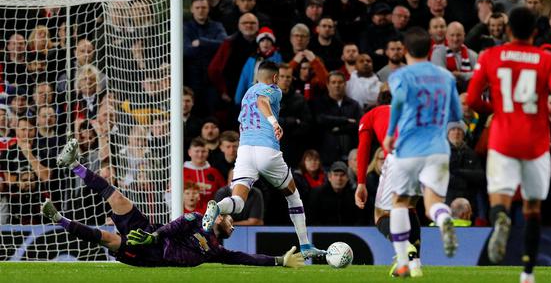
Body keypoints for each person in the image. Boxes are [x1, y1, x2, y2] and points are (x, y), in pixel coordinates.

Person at [42, 138, 304, 268]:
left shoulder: (215, 250)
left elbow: (246, 258)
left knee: (108, 239)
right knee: (119, 198)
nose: (231, 224)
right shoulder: (197, 220)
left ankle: (59, 220)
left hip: (150, 254)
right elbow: (177, 224)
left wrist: (279, 261)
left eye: (231, 223)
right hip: (151, 233)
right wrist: (152, 235)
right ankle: (74, 164)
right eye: (229, 219)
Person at [466, 7, 551, 283]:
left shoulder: (491, 55)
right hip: (536, 143)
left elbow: (473, 98)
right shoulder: (546, 58)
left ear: (508, 30)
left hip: (502, 139)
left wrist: (496, 109)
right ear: (535, 32)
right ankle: (527, 272)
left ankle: (500, 216)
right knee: (533, 207)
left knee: (499, 198)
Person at [202, 61, 325, 259]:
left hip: (244, 151)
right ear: (275, 78)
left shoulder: (246, 93)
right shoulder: (274, 90)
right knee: (293, 197)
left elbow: (255, 103)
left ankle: (218, 207)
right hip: (266, 149)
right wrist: (275, 122)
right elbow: (262, 102)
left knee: (238, 202)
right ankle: (305, 245)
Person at [384, 27, 462, 277]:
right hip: (438, 150)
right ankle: (443, 220)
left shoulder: (400, 76)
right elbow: (458, 115)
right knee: (432, 204)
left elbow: (397, 101)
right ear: (431, 50)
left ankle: (404, 263)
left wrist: (389, 133)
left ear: (405, 51)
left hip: (407, 149)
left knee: (399, 202)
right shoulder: (445, 76)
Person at [355, 100, 423, 278]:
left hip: (399, 156)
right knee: (408, 206)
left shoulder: (368, 117)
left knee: (380, 214)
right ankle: (414, 263)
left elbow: (363, 148)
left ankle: (404, 244)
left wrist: (361, 183)